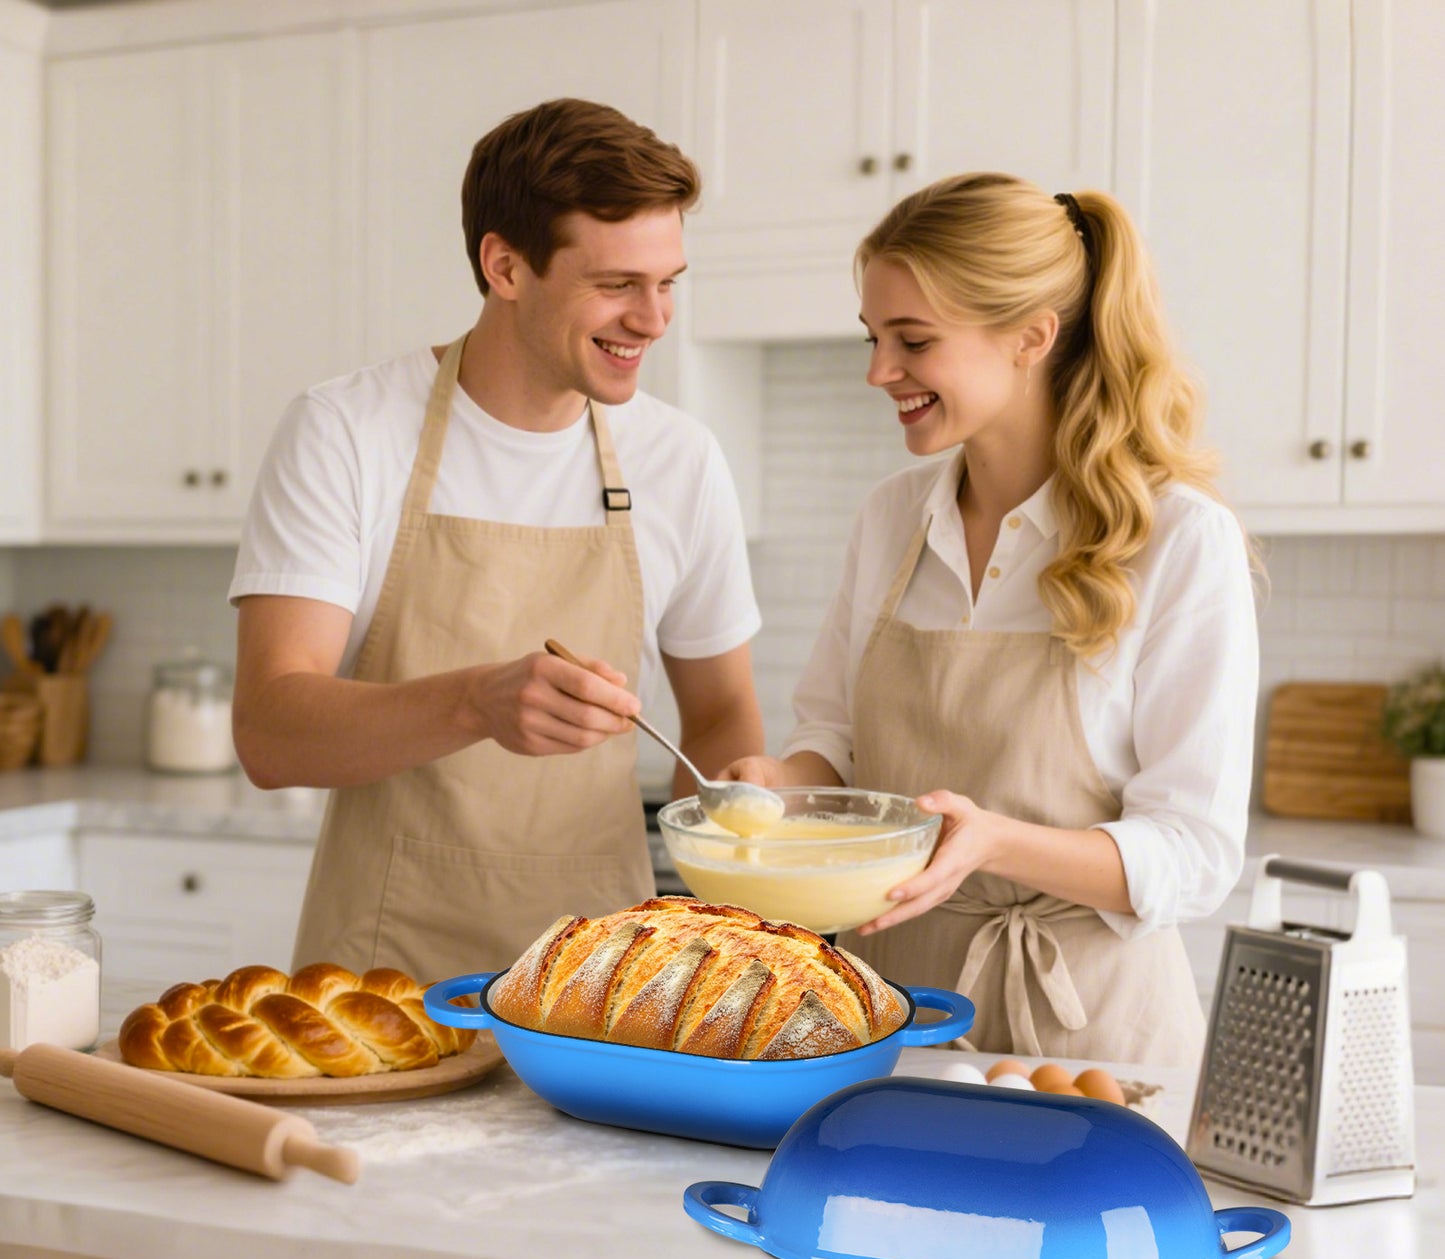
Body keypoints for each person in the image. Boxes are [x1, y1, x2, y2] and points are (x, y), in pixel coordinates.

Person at [723, 173, 1259, 1067]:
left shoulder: (1176, 539)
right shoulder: (891, 517)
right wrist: (778, 786)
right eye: (873, 337)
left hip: (1089, 1036)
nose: (876, 371)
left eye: (913, 340)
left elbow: (1194, 852)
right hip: (889, 1010)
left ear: (1030, 337)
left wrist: (996, 843)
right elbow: (838, 742)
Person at [230, 98, 764, 984]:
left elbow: (716, 715)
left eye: (668, 281)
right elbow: (271, 732)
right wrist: (478, 702)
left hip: (602, 987)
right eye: (616, 284)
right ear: (505, 266)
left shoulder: (679, 457)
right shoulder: (346, 431)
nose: (654, 319)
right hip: (380, 981)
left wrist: (738, 815)